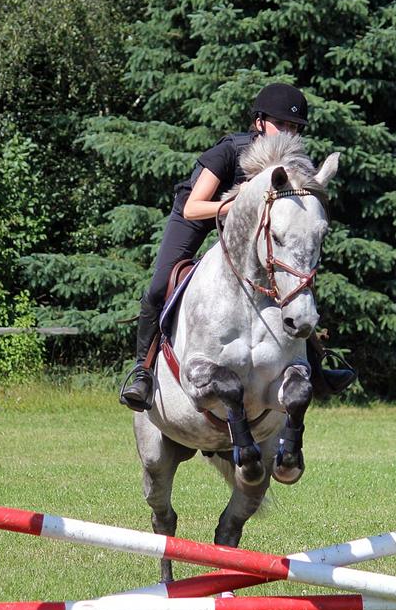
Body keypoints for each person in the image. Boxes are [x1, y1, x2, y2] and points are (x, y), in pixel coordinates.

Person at [120, 83, 355, 412]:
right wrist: (244, 201)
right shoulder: (229, 151)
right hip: (198, 217)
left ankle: (316, 368)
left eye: (294, 128)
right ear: (259, 122)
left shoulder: (297, 163)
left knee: (296, 284)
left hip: (255, 231)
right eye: (282, 124)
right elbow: (193, 207)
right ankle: (142, 372)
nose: (288, 132)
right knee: (160, 286)